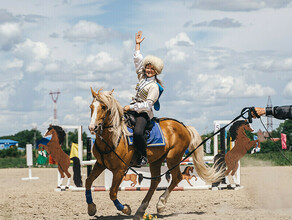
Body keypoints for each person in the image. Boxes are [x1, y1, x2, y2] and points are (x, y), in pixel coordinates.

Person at [123, 31, 164, 165]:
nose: (148, 70)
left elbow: (147, 105)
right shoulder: (142, 78)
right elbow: (137, 61)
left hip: (144, 113)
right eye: (147, 67)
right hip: (133, 109)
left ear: (156, 71)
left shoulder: (154, 86)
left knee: (138, 132)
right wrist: (137, 45)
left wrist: (130, 107)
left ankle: (142, 156)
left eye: (151, 69)